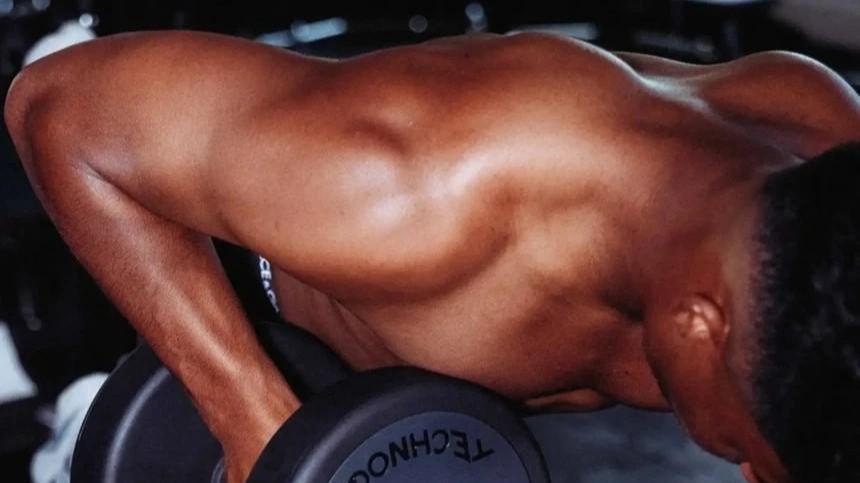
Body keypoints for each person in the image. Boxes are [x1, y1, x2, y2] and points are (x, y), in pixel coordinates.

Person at [4, 30, 860, 483]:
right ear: (699, 323)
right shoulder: (419, 187)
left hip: (431, 411)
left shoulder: (823, 134)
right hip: (208, 299)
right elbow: (59, 110)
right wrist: (253, 418)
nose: (748, 471)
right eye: (747, 453)